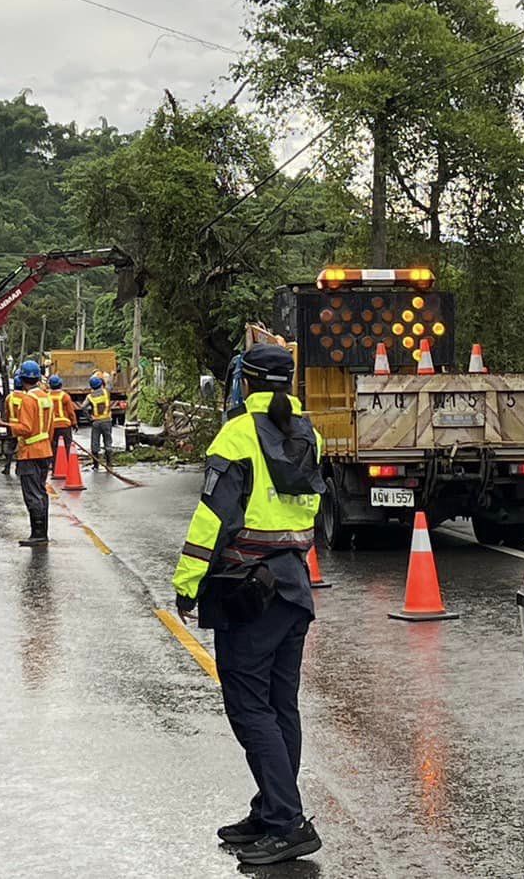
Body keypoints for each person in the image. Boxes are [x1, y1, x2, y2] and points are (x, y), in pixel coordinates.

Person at [171, 344, 326, 866]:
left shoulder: (237, 434)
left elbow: (211, 520)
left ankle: (286, 822)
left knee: (248, 706)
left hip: (247, 587)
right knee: (281, 706)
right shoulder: (309, 433)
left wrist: (187, 583)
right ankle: (270, 808)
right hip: (294, 585)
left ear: (245, 381)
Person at [0, 359, 55, 545]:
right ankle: (42, 532)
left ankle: (38, 534)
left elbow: (25, 428)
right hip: (45, 450)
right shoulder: (46, 397)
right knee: (41, 492)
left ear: (22, 379)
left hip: (30, 453)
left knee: (32, 494)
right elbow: (51, 426)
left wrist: (4, 424)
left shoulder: (28, 400)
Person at [85, 374, 115, 473]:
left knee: (95, 444)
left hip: (96, 422)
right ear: (101, 384)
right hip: (107, 421)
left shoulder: (90, 396)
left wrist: (89, 418)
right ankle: (109, 464)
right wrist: (112, 374)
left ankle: (96, 465)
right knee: (108, 442)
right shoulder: (106, 392)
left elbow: (83, 407)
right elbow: (110, 384)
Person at [47, 375, 77, 466]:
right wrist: (74, 423)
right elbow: (70, 412)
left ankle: (55, 466)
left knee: (54, 446)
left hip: (52, 426)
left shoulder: (46, 396)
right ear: (60, 384)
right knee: (67, 445)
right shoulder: (65, 396)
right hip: (64, 425)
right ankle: (67, 465)